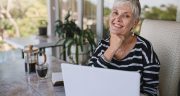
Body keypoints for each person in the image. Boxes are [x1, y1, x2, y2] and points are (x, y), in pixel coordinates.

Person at [88, 0, 160, 96]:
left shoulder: (144, 48)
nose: (118, 18)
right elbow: (89, 79)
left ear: (135, 22)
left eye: (126, 15)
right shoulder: (103, 46)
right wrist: (112, 49)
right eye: (115, 12)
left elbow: (151, 91)